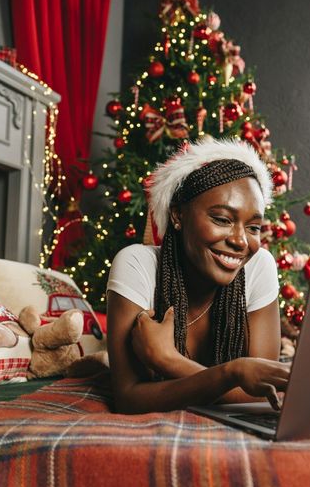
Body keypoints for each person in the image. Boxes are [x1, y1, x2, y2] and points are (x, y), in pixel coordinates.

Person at [106, 139, 290, 414]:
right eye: (222, 219)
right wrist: (233, 376)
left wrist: (169, 360)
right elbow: (128, 398)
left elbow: (264, 395)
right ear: (178, 215)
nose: (241, 241)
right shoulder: (137, 265)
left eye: (253, 227)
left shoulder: (258, 265)